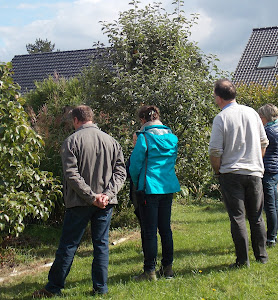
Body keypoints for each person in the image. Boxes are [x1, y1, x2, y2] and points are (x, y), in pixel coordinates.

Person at [33, 105, 126, 298]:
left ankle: (53, 288)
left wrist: (92, 197)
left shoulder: (71, 141)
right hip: (105, 203)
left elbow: (71, 175)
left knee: (69, 245)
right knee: (101, 244)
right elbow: (121, 172)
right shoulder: (111, 141)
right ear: (91, 118)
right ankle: (101, 288)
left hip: (80, 202)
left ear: (76, 120)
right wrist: (107, 195)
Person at [209, 79, 269, 267]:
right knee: (256, 217)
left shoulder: (221, 118)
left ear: (218, 98)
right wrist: (255, 161)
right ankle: (262, 256)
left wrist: (218, 171)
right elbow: (263, 142)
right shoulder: (252, 112)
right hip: (254, 172)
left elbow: (215, 151)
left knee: (237, 217)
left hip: (232, 173)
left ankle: (243, 261)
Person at [129, 105, 180, 281]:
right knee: (165, 229)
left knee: (149, 231)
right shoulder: (172, 138)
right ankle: (168, 268)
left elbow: (134, 165)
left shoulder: (144, 138)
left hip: (149, 188)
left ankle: (149, 271)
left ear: (143, 120)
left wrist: (136, 183)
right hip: (167, 186)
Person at [258, 104, 278, 247]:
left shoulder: (268, 131)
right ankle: (273, 235)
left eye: (260, 117)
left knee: (270, 206)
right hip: (276, 170)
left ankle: (270, 238)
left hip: (268, 171)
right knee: (274, 204)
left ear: (265, 117)